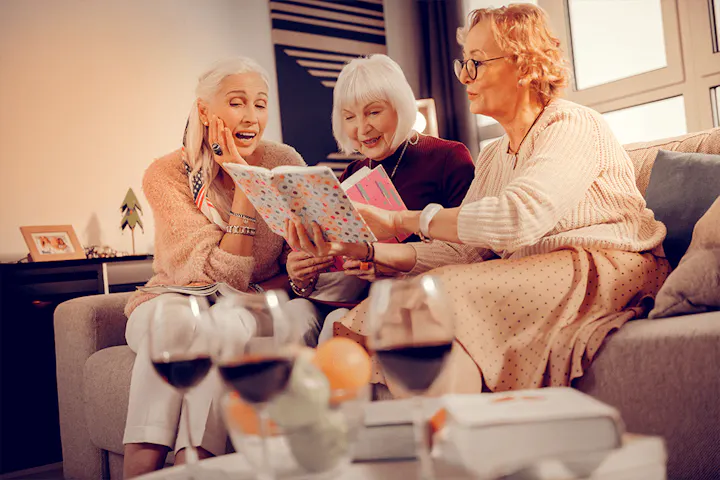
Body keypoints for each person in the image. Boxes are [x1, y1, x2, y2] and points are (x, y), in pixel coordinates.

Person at [287, 4, 670, 397]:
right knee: (410, 302)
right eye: (463, 64)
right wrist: (369, 248)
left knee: (435, 292)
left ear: (524, 65)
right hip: (540, 268)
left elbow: (518, 217)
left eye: (477, 63)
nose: (465, 76)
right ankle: (436, 441)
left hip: (607, 266)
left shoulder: (572, 123)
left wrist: (402, 221)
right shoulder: (493, 155)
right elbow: (463, 252)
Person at [122, 57, 305, 478]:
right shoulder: (167, 174)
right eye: (237, 103)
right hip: (170, 298)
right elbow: (219, 276)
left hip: (247, 303)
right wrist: (244, 184)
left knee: (220, 328)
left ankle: (194, 466)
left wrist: (248, 175)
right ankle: (140, 469)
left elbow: (284, 266)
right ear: (205, 112)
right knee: (174, 327)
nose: (251, 117)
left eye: (260, 104)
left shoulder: (283, 161)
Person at [284, 54, 474, 346]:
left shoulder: (448, 157)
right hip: (347, 298)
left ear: (400, 106)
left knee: (336, 328)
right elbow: (335, 264)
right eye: (350, 117)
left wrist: (390, 263)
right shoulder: (351, 173)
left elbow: (470, 249)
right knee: (292, 316)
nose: (362, 129)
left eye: (373, 113)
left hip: (415, 299)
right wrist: (302, 275)